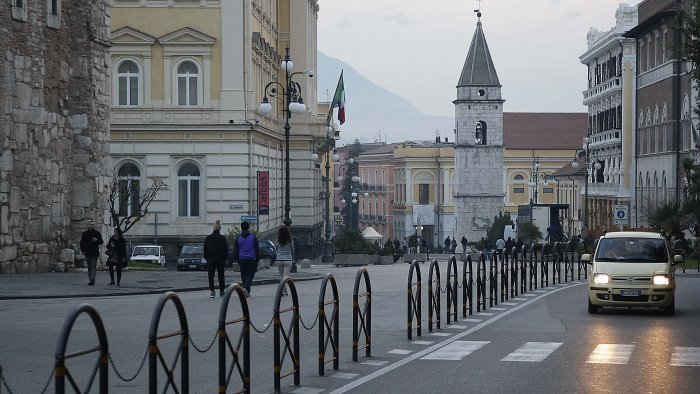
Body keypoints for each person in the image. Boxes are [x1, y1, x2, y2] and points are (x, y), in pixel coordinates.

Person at [232, 221, 259, 297]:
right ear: (248, 227)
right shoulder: (253, 237)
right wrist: (257, 259)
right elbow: (256, 249)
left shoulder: (238, 238)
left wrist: (237, 259)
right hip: (251, 259)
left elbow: (236, 250)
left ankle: (245, 288)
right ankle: (246, 289)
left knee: (243, 275)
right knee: (250, 275)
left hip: (242, 259)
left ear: (241, 228)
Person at [204, 220, 229, 298]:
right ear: (219, 229)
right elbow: (226, 249)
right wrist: (225, 258)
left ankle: (212, 291)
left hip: (210, 259)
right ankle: (222, 290)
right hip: (220, 259)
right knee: (221, 275)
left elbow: (205, 249)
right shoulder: (222, 238)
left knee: (211, 275)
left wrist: (206, 258)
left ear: (213, 229)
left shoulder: (208, 238)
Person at [80, 220, 103, 286]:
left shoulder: (97, 233)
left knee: (93, 266)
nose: (91, 226)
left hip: (94, 253)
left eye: (93, 224)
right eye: (90, 224)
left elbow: (101, 242)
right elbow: (82, 243)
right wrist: (82, 250)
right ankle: (90, 279)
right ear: (88, 225)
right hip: (87, 252)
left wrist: (96, 240)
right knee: (89, 267)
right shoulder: (85, 233)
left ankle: (92, 279)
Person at [276, 226, 295, 295]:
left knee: (282, 277)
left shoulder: (277, 240)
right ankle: (282, 290)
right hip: (287, 260)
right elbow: (292, 250)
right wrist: (293, 259)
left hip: (279, 260)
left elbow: (276, 248)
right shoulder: (290, 241)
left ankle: (284, 291)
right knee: (286, 276)